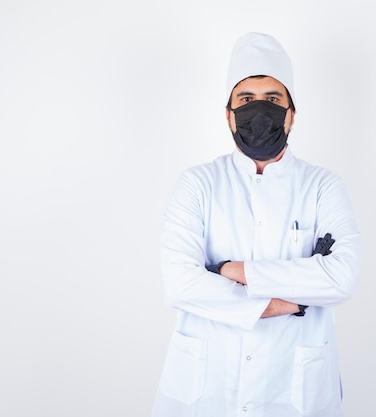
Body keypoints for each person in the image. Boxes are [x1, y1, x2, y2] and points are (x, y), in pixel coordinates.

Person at [151, 32, 361, 417]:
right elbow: (180, 284)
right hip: (206, 387)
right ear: (229, 115)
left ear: (292, 114)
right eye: (246, 100)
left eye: (273, 99)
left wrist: (235, 271)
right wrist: (290, 301)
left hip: (294, 391)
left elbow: (340, 279)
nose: (259, 110)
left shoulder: (323, 186)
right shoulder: (197, 184)